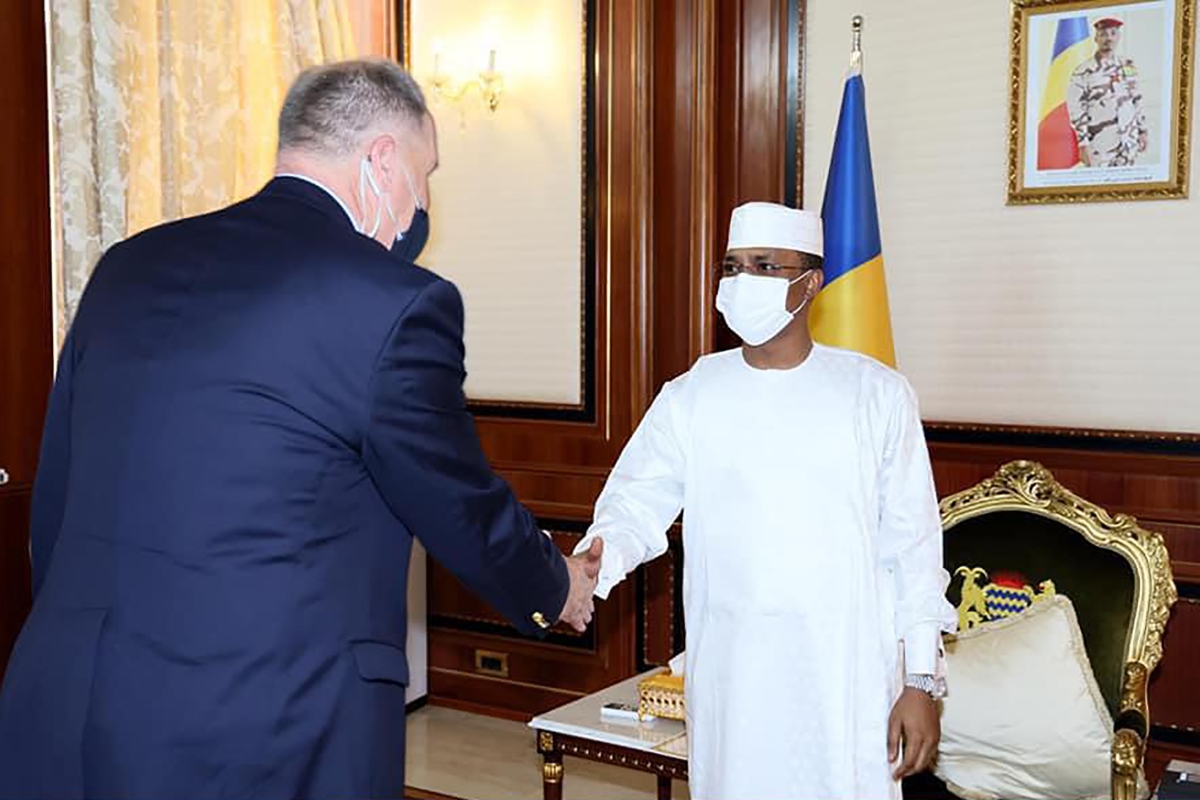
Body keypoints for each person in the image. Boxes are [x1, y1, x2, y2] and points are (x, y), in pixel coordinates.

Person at [0, 59, 603, 800]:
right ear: (382, 161)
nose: (423, 201)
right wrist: (556, 584)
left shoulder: (128, 266)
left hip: (68, 696)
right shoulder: (396, 302)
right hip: (256, 723)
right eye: (426, 173)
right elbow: (454, 498)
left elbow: (57, 492)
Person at [574, 202, 958, 799]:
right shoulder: (693, 393)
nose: (740, 280)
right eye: (731, 266)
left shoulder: (877, 395)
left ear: (810, 283)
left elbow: (912, 548)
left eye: (763, 265)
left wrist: (921, 682)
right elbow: (634, 501)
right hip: (735, 673)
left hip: (845, 675)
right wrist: (594, 564)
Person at [1067, 15, 1148, 168]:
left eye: (1113, 33)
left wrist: (1142, 130)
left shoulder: (1127, 65)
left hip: (1128, 142)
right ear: (1096, 38)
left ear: (1119, 37)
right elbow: (1076, 110)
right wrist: (1083, 144)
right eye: (1103, 34)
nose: (1108, 38)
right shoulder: (1083, 71)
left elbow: (1136, 98)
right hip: (1101, 146)